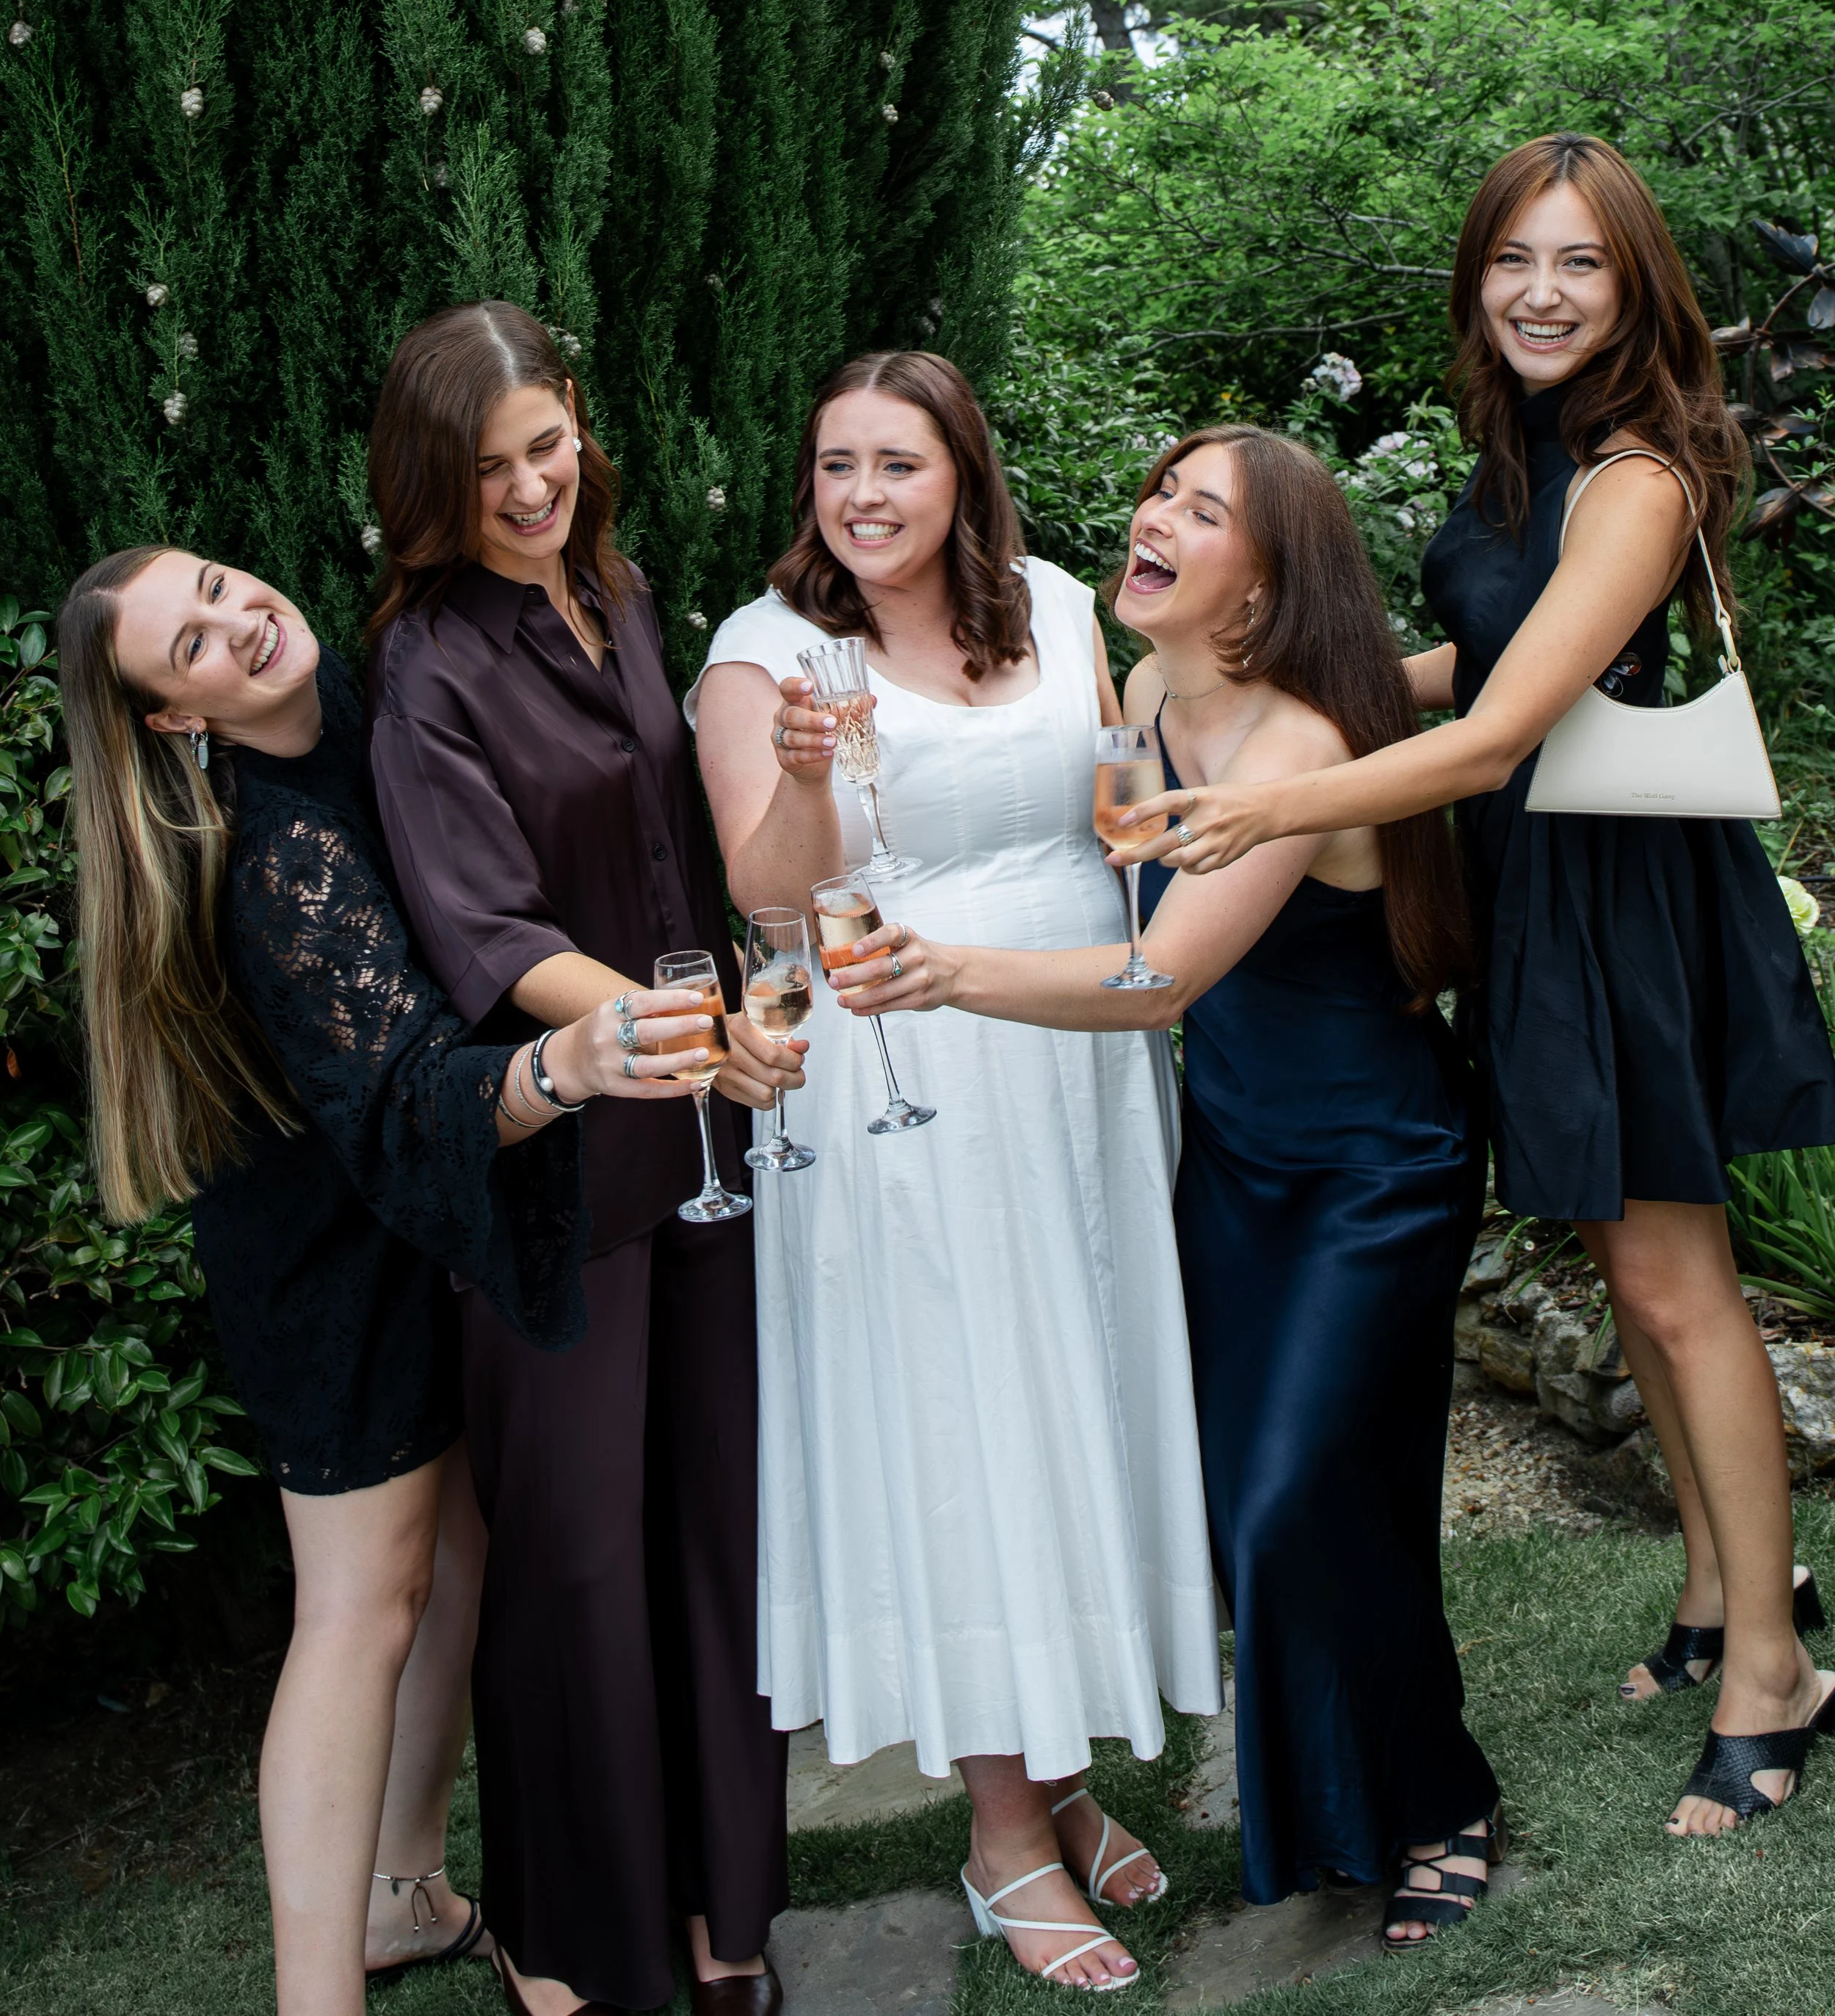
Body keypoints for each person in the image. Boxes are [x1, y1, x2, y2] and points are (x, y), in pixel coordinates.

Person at [1119, 135, 1835, 1841]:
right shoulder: (1517, 454)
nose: (1539, 291)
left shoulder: (1638, 473)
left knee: (1675, 1288)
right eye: (1514, 258)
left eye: (1579, 264)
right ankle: (1717, 1587)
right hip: (1532, 904)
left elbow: (1505, 731)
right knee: (1619, 1265)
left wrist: (1262, 800)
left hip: (1622, 912)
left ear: (1631, 285)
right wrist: (1294, 687)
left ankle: (1772, 1670)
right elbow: (1466, 669)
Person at [831, 424, 1502, 1951]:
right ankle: (1363, 1799)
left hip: (1370, 1170)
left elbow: (1153, 979)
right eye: (1160, 491)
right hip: (1235, 1163)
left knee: (1288, 1503)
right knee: (1293, 1504)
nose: (1153, 516)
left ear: (1258, 590)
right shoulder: (1141, 692)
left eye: (1200, 512)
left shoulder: (1299, 750)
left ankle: (1440, 1795)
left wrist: (947, 972)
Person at [57, 545, 707, 2016]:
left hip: (430, 1212)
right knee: (361, 1599)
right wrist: (567, 1062)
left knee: (456, 1549)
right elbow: (413, 1093)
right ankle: (315, 1995)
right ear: (174, 721)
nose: (239, 622)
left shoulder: (361, 697)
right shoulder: (270, 852)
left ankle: (405, 1891)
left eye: (222, 587)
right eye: (194, 645)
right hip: (323, 1247)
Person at [689, 350, 1220, 1998]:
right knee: (967, 1423)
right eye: (836, 464)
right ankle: (998, 1837)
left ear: (960, 473)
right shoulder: (763, 652)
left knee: (1075, 1407)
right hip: (902, 1082)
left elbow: (1121, 796)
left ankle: (1058, 1771)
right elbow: (773, 905)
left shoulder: (1061, 603)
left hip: (1083, 1055)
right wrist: (794, 772)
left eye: (897, 465)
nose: (862, 496)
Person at [364, 302, 802, 2016]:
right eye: (488, 472)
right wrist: (676, 1036)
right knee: (576, 1565)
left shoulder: (613, 594)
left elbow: (680, 862)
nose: (532, 488)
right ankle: (590, 1953)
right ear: (429, 482)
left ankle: (726, 1923)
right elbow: (488, 934)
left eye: (547, 446)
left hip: (702, 1140)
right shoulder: (422, 666)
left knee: (716, 1529)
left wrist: (740, 1017)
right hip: (558, 1174)